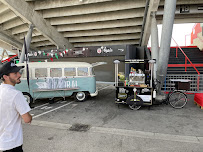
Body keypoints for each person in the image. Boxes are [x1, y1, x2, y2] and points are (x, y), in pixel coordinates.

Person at [0, 61, 32, 152]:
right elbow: (27, 119)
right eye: (15, 73)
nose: (19, 75)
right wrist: (30, 116)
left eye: (18, 72)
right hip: (12, 144)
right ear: (5, 77)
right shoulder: (16, 94)